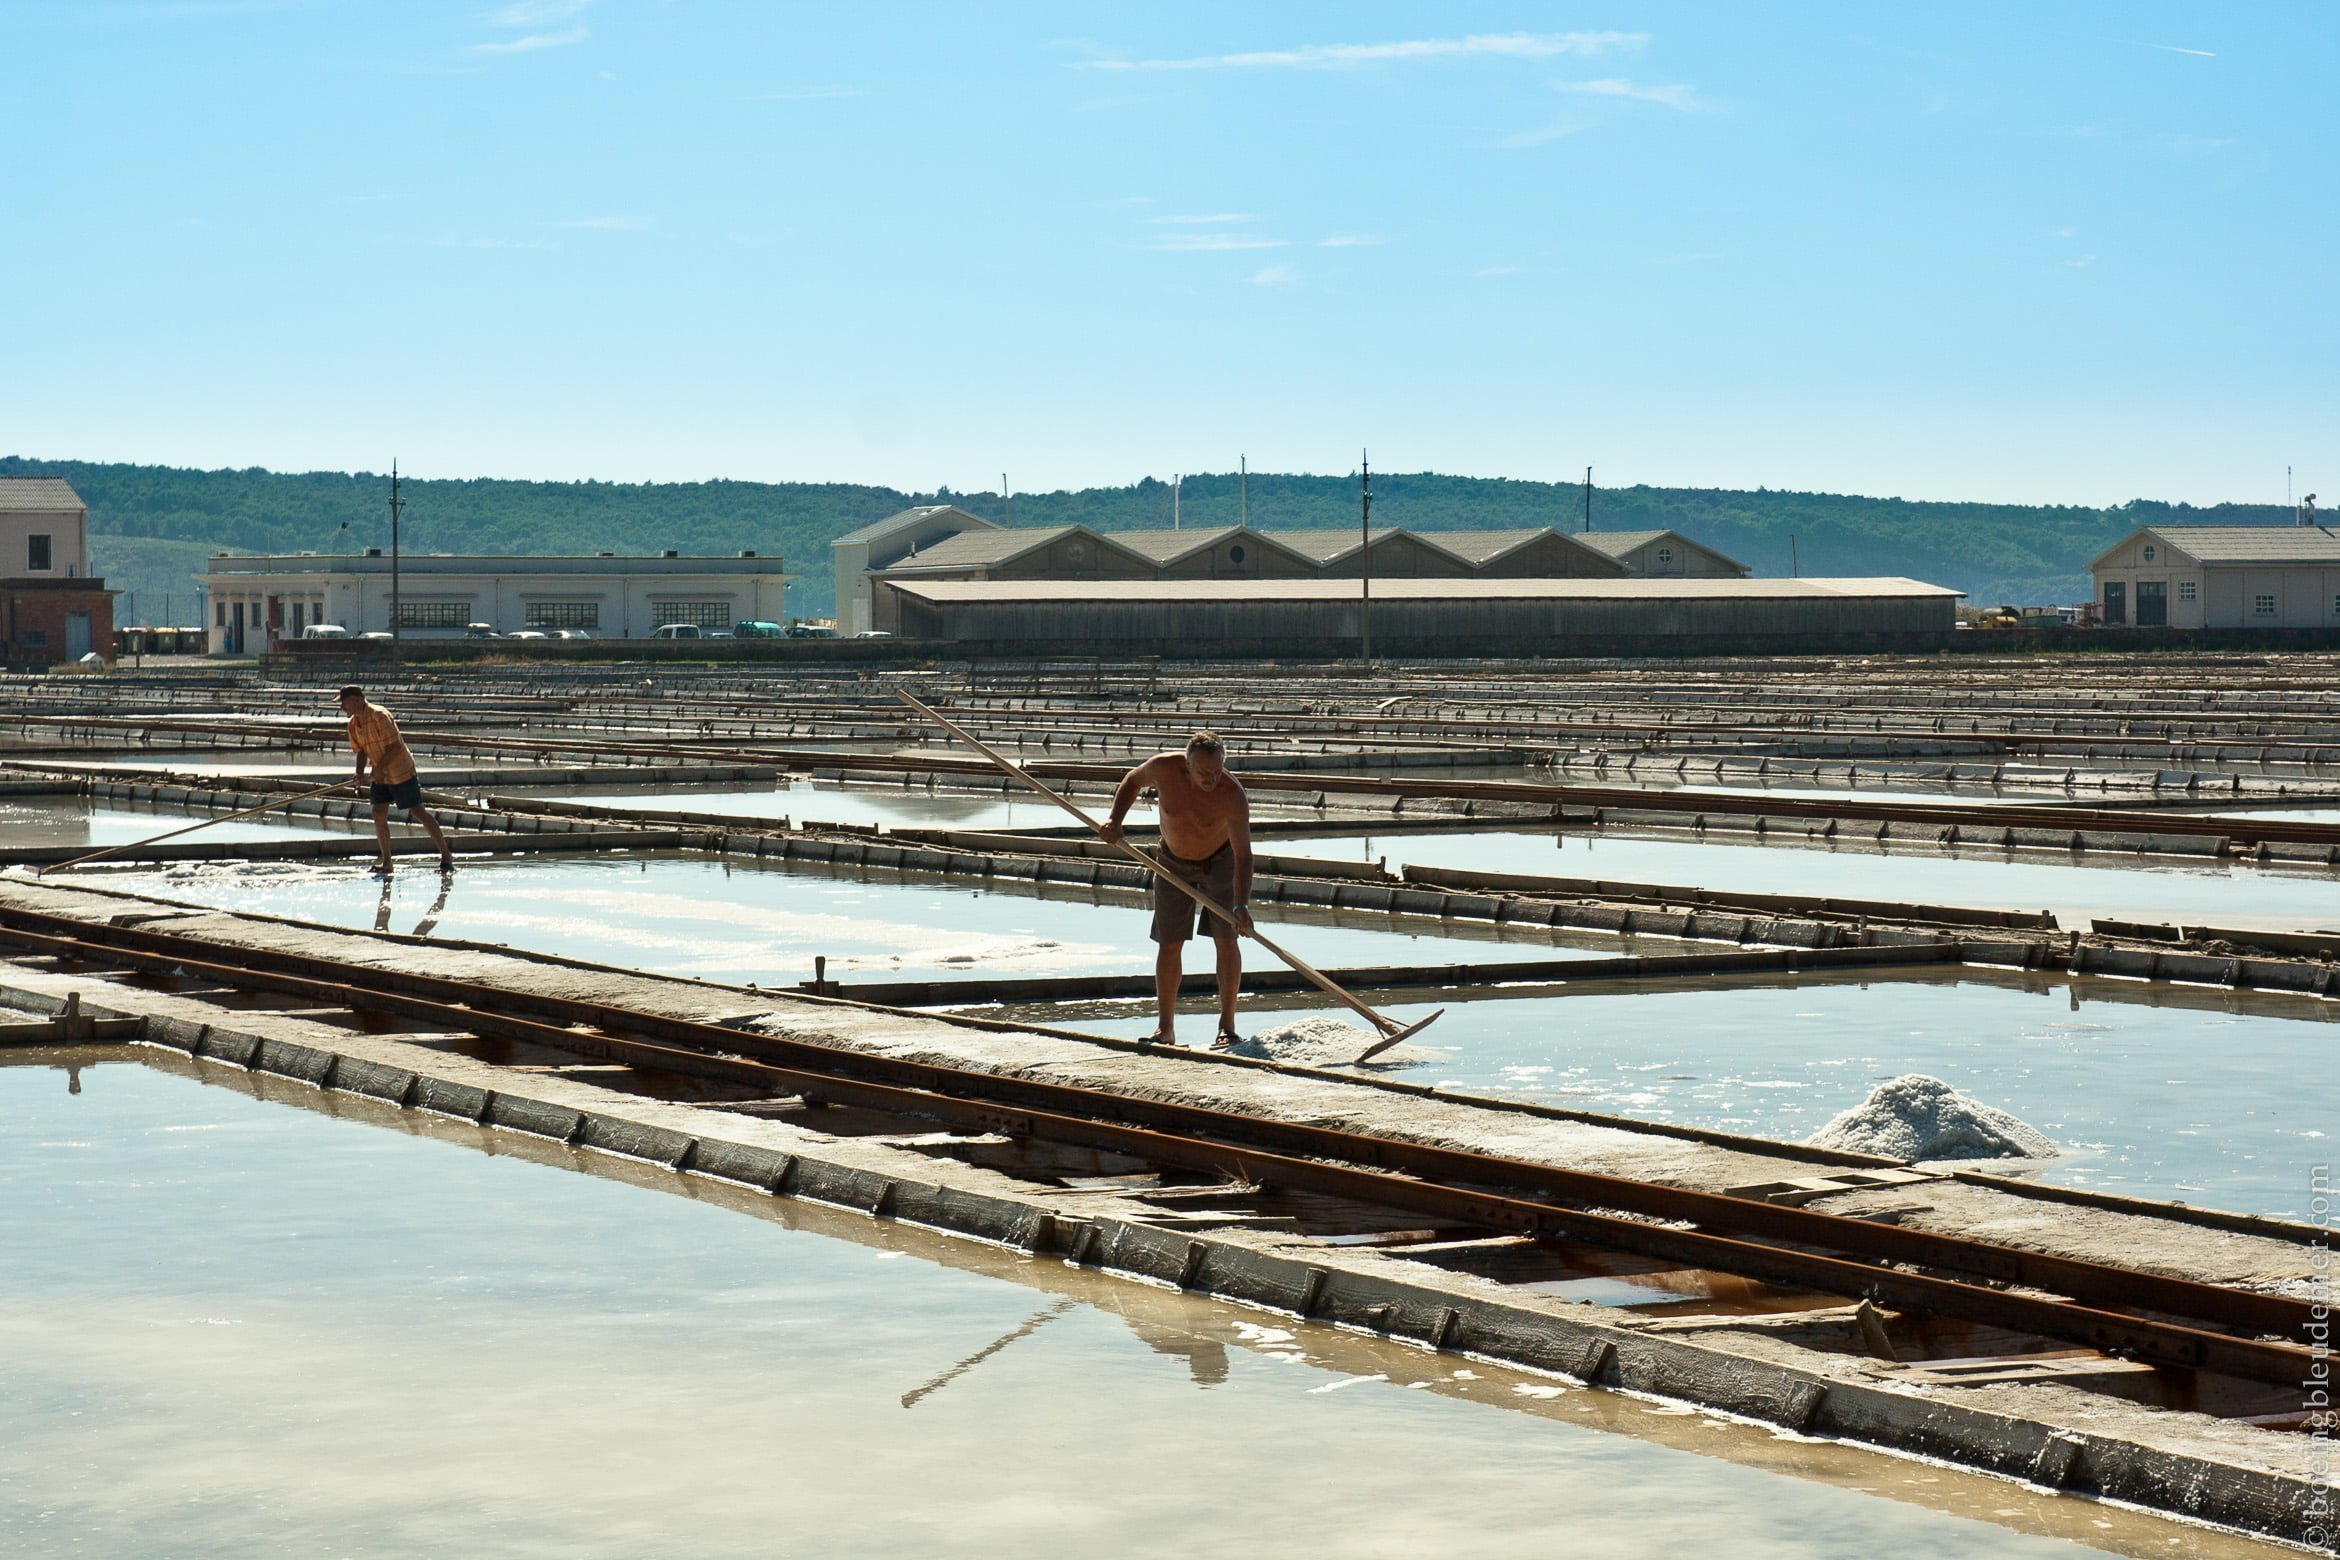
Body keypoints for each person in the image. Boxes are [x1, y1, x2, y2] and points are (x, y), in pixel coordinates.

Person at [1098, 731, 1253, 1048]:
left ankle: (1227, 1027)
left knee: (1226, 939)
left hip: (1220, 862)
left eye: (1217, 771)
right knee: (1169, 942)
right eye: (1204, 772)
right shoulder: (1164, 768)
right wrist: (1115, 820)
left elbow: (1243, 855)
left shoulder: (1231, 794)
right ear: (1187, 764)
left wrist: (1241, 905)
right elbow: (1131, 781)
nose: (1211, 779)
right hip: (1172, 861)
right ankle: (1165, 1029)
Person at [338, 685, 454, 875]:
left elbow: (395, 747)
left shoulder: (379, 715)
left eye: (344, 703)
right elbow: (361, 751)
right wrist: (359, 773)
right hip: (379, 774)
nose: (342, 707)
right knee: (378, 812)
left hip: (400, 770)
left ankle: (446, 855)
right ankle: (387, 862)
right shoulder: (353, 724)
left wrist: (378, 768)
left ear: (357, 700)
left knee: (417, 811)